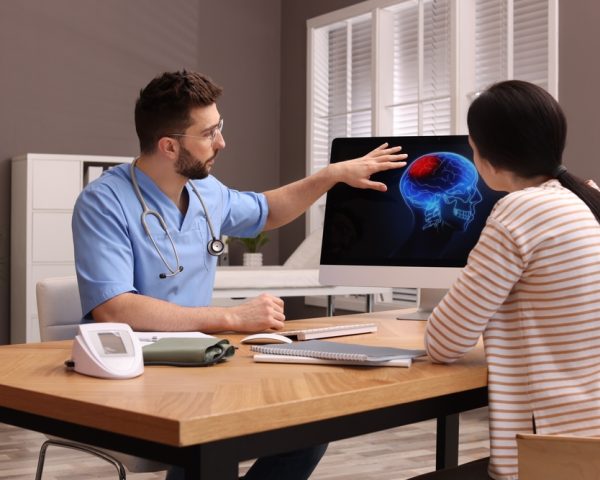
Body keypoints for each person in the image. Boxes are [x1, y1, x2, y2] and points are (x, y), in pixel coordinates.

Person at [71, 70, 407, 480]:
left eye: (220, 127)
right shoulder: (103, 202)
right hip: (135, 369)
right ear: (169, 146)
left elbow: (268, 211)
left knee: (309, 424)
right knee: (214, 437)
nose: (221, 142)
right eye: (209, 132)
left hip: (201, 360)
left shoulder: (205, 191)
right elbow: (113, 308)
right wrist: (231, 318)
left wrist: (331, 176)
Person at [415, 79, 600, 480]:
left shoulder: (519, 211)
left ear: (481, 155)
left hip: (556, 457)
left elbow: (444, 342)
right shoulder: (584, 200)